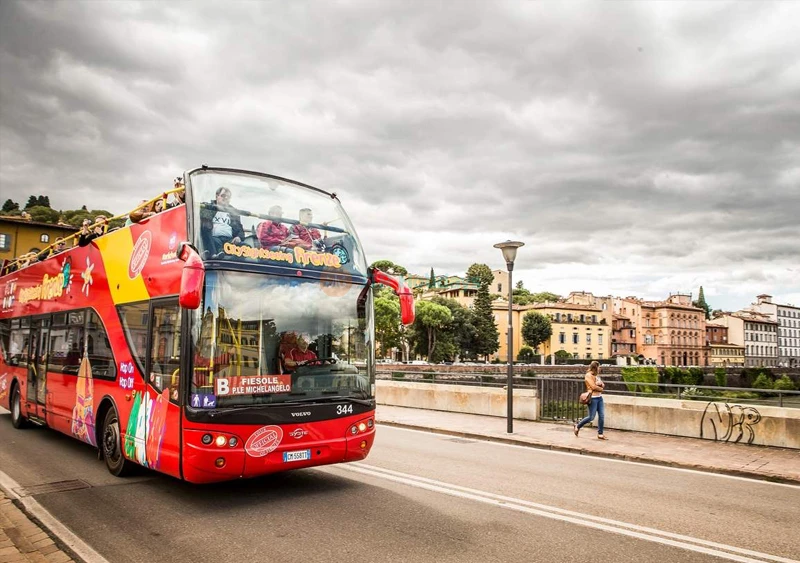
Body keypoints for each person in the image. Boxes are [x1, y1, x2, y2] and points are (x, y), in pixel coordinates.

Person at [199, 186, 244, 257]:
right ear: (217, 196)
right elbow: (203, 224)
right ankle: (214, 255)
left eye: (228, 197)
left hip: (230, 241)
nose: (225, 198)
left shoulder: (233, 212)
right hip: (213, 239)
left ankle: (221, 253)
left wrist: (239, 237)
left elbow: (240, 230)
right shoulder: (208, 208)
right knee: (209, 237)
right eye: (223, 196)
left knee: (246, 247)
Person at [574, 361, 607, 439]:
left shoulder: (596, 376)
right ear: (595, 367)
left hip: (599, 398)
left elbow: (603, 384)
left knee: (602, 416)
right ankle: (578, 426)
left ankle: (600, 434)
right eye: (599, 367)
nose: (600, 368)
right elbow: (593, 387)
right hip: (593, 398)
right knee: (591, 417)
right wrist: (601, 388)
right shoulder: (588, 375)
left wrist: (601, 385)